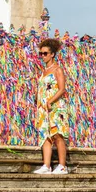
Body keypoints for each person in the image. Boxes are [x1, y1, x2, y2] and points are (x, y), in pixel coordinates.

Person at [33, 39, 69, 175]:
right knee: (45, 135)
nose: (43, 56)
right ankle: (46, 165)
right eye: (41, 54)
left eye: (45, 53)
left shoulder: (57, 70)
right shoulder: (44, 71)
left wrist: (50, 101)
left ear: (52, 54)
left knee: (57, 134)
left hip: (55, 107)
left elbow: (61, 89)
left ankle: (62, 165)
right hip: (43, 108)